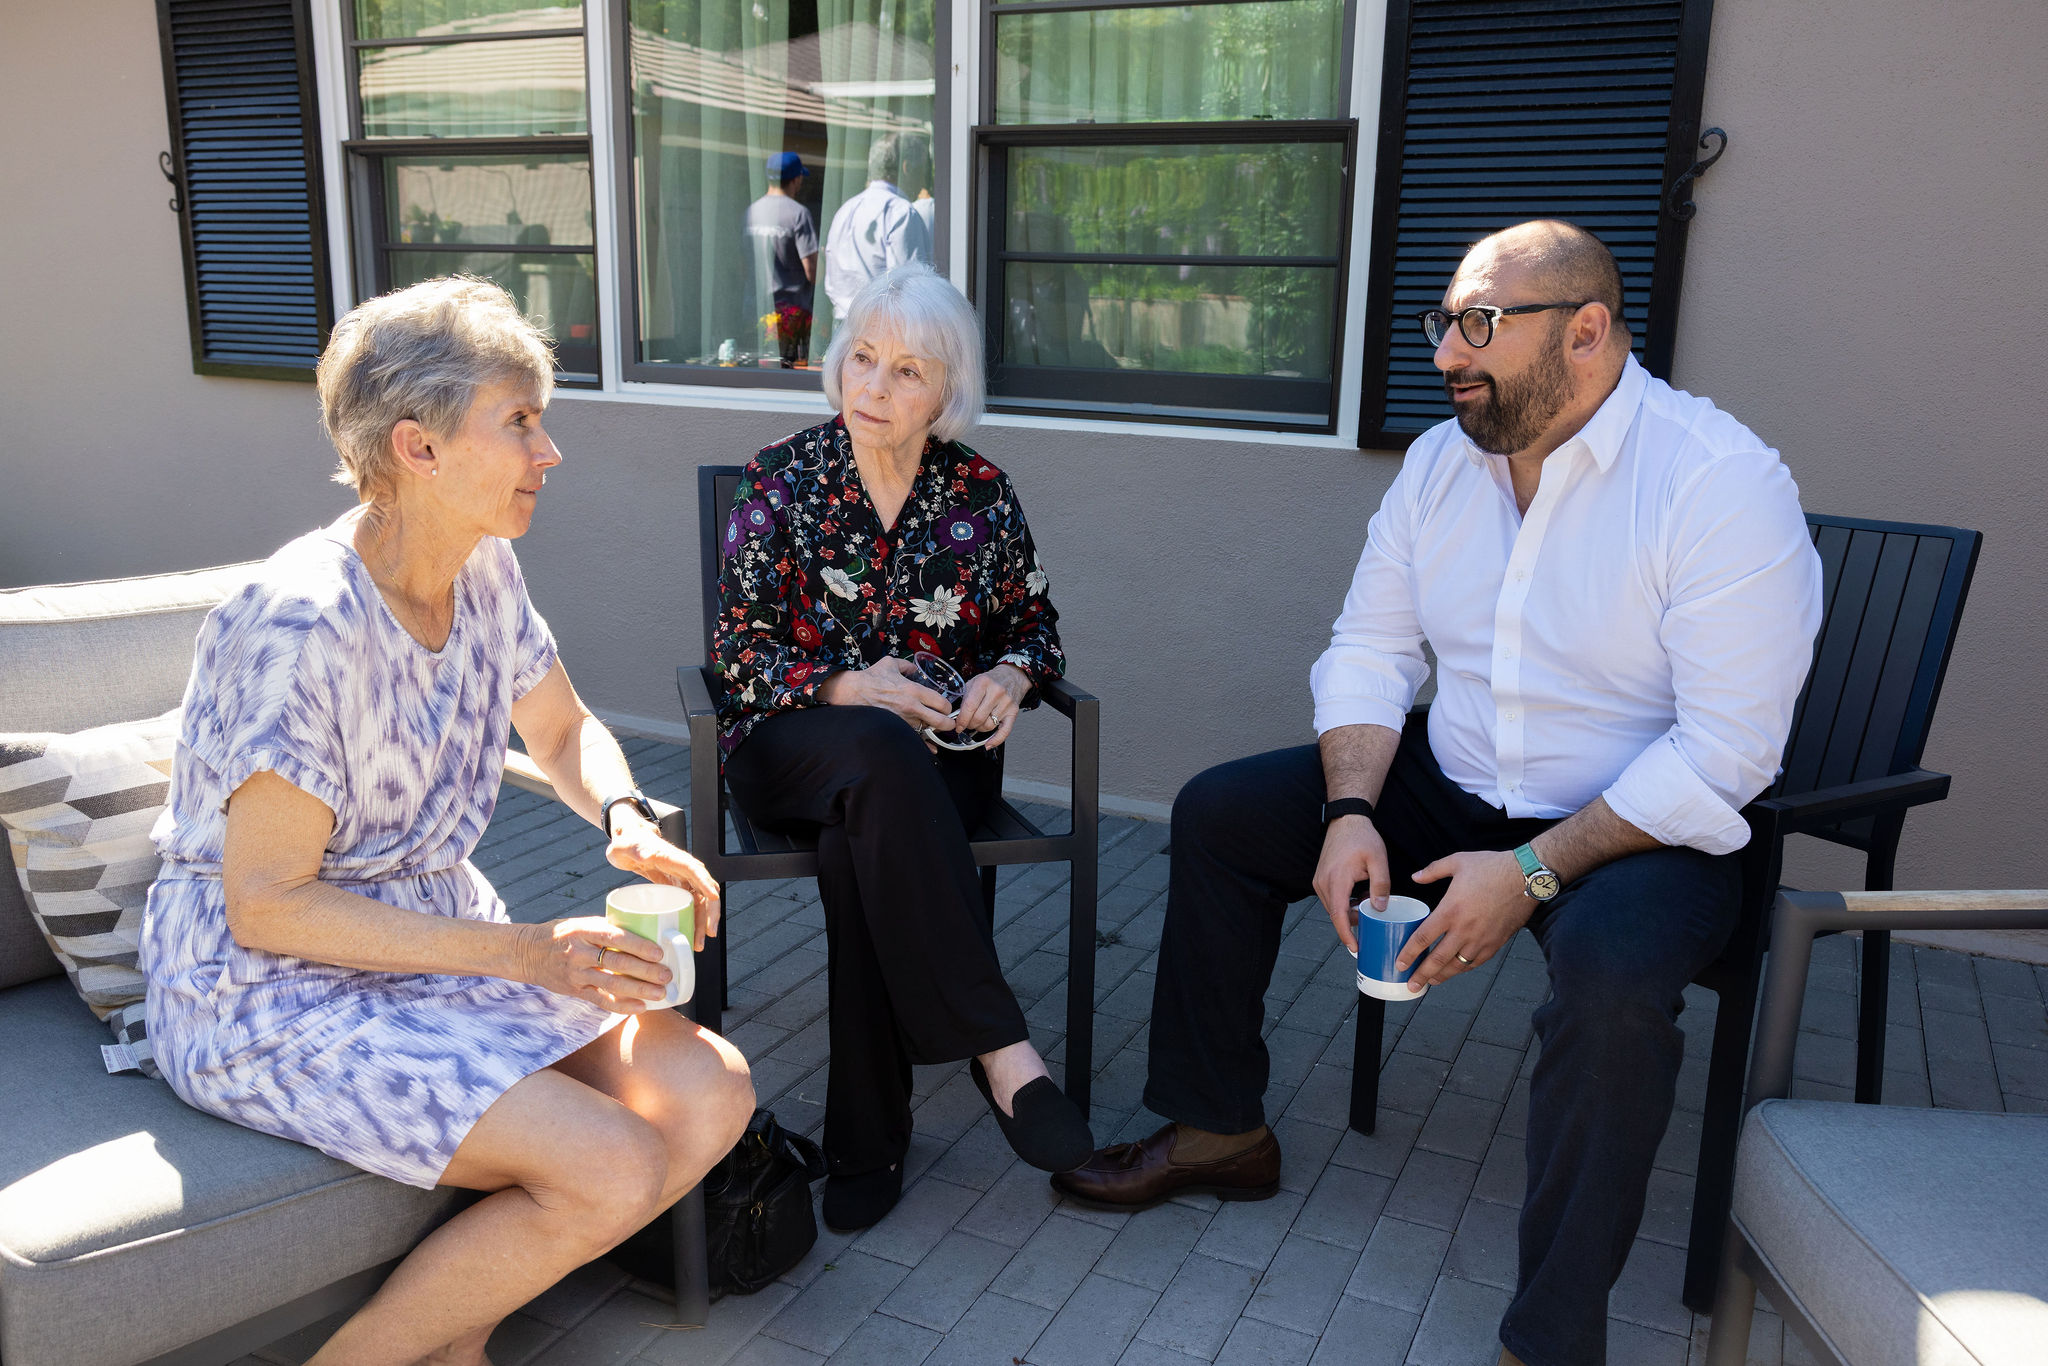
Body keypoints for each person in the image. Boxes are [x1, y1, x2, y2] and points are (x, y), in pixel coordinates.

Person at [1052, 221, 1824, 1366]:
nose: (1445, 356)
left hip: (1640, 825)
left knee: (1610, 984)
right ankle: (1219, 1127)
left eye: (1478, 326)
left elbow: (1723, 754)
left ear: (1585, 333)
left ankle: (1551, 1336)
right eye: (1442, 324)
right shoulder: (1438, 465)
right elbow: (1369, 647)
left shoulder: (1717, 484)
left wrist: (1528, 873)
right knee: (1219, 812)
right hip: (1448, 778)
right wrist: (1349, 808)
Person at [139, 277, 754, 1366]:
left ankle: (453, 1338)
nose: (547, 451)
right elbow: (268, 905)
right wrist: (527, 954)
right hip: (264, 990)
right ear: (417, 448)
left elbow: (561, 733)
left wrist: (625, 815)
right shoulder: (299, 626)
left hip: (427, 942)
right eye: (519, 421)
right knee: (610, 1159)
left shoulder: (483, 567)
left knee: (709, 1090)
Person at [712, 261, 1089, 1231]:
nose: (874, 387)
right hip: (790, 746)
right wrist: (843, 685)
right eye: (863, 359)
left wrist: (1010, 675)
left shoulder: (981, 495)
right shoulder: (780, 481)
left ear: (946, 391)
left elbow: (1035, 625)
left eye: (907, 371)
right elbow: (735, 653)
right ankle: (997, 1045)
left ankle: (866, 1143)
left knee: (860, 843)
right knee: (875, 749)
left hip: (936, 764)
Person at [822, 133, 933, 319]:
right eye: (923, 170)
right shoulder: (902, 212)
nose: (924, 182)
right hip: (881, 329)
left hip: (844, 326)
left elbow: (833, 283)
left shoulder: (846, 210)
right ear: (906, 167)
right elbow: (910, 289)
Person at [746, 152, 819, 362]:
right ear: (796, 179)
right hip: (789, 318)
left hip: (754, 310)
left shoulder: (751, 212)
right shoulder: (798, 213)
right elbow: (811, 271)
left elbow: (743, 265)